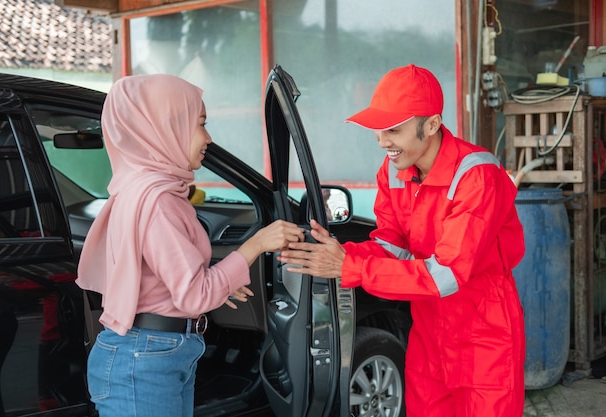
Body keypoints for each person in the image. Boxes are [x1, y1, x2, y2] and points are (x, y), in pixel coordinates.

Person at [279, 64, 526, 417]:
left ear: (431, 124)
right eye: (378, 131)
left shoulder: (478, 176)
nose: (383, 142)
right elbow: (391, 247)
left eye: (393, 129)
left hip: (485, 337)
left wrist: (349, 267)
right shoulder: (394, 172)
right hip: (428, 336)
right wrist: (334, 253)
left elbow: (447, 275)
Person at [76, 74, 304, 417]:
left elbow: (162, 280)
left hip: (153, 353)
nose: (208, 139)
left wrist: (220, 282)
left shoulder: (139, 189)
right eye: (200, 124)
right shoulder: (158, 201)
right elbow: (194, 296)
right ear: (165, 127)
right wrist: (257, 243)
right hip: (147, 358)